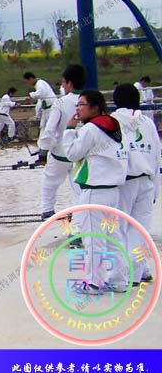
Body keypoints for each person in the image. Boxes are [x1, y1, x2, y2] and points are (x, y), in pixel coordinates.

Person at [62, 89, 129, 293]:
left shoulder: (91, 129)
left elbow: (72, 153)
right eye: (77, 104)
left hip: (94, 191)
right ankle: (119, 280)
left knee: (93, 239)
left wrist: (69, 130)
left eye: (82, 104)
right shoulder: (114, 126)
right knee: (114, 238)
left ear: (94, 108)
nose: (78, 109)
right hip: (113, 191)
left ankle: (93, 282)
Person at [111, 83, 160, 286]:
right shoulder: (146, 122)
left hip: (124, 182)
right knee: (140, 230)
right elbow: (157, 154)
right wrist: (155, 187)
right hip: (146, 181)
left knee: (119, 229)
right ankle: (138, 272)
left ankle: (122, 274)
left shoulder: (112, 121)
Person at [37, 64, 86, 220]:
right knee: (78, 186)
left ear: (69, 83)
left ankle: (47, 210)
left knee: (50, 181)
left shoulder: (60, 103)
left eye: (64, 82)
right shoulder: (91, 102)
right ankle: (78, 215)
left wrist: (43, 150)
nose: (63, 85)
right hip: (81, 153)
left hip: (60, 152)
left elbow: (50, 129)